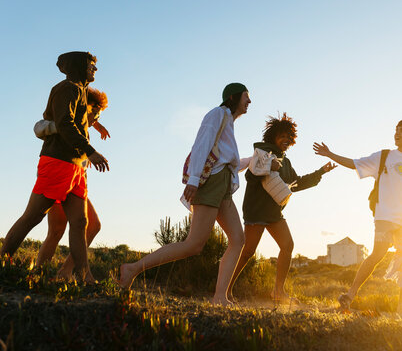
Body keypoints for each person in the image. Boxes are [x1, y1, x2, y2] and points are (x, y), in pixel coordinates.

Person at [119, 83, 250, 305]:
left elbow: (229, 161)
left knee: (238, 239)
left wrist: (255, 160)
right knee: (194, 244)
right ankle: (132, 269)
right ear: (233, 97)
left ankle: (220, 297)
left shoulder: (228, 121)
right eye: (246, 96)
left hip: (223, 186)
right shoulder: (217, 114)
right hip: (210, 184)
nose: (249, 101)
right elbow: (201, 145)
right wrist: (194, 179)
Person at [1, 51, 109, 283]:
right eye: (91, 65)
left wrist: (93, 129)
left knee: (80, 222)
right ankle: (3, 262)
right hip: (57, 161)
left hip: (76, 167)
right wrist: (91, 150)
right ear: (79, 65)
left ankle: (85, 277)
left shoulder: (79, 92)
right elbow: (64, 122)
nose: (95, 69)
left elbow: (78, 120)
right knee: (33, 217)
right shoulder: (66, 88)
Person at [313, 120, 402, 313]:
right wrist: (330, 154)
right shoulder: (383, 157)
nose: (397, 133)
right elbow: (354, 163)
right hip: (385, 217)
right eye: (396, 130)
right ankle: (349, 295)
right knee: (377, 254)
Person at [228, 113, 336, 303]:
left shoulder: (286, 161)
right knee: (247, 253)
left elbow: (297, 183)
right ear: (273, 136)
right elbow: (250, 177)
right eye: (282, 136)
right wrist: (270, 165)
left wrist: (321, 171)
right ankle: (224, 289)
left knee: (287, 246)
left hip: (274, 212)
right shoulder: (262, 152)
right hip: (257, 209)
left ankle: (278, 292)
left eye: (289, 137)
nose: (286, 140)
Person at [34, 87, 110, 279]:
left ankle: (63, 272)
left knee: (91, 226)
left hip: (75, 180)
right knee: (57, 230)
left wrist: (97, 125)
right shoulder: (67, 121)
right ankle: (37, 274)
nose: (95, 119)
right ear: (84, 108)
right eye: (95, 114)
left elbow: (86, 120)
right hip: (58, 176)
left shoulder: (84, 125)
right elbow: (39, 127)